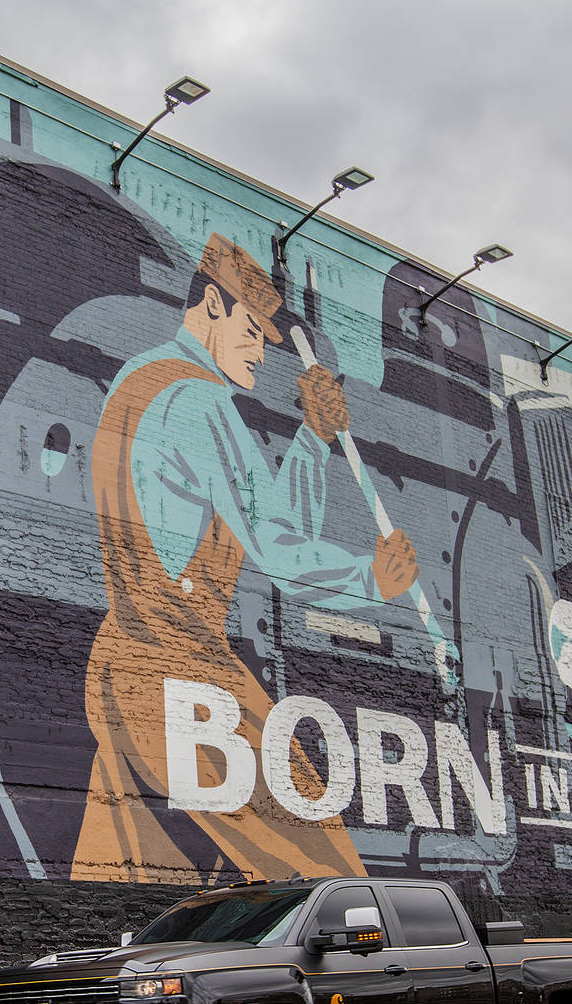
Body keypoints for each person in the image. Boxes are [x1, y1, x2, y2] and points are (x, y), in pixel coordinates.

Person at [74, 233, 420, 883]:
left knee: (129, 879)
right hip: (183, 678)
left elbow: (250, 526)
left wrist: (312, 440)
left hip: (120, 669)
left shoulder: (138, 379)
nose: (262, 351)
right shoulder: (201, 403)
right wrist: (371, 577)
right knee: (331, 873)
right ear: (210, 304)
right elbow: (279, 551)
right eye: (253, 331)